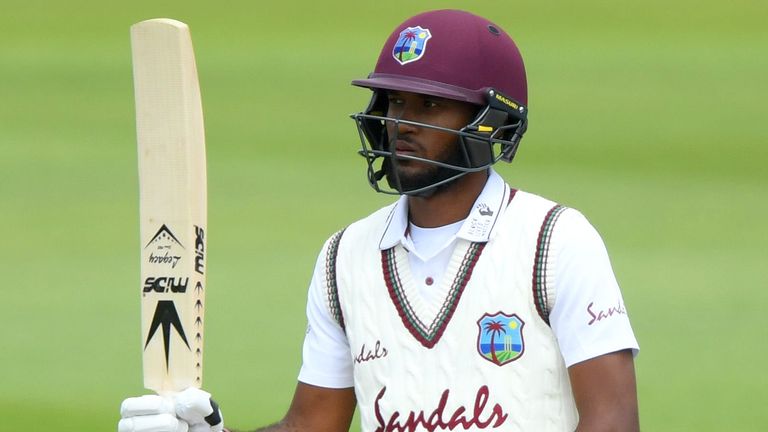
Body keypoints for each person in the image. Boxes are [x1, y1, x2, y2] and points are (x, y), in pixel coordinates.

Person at [119, 9, 640, 432]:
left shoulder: (554, 240)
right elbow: (311, 426)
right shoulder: (345, 256)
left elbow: (613, 421)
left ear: (492, 122)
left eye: (431, 105)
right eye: (394, 102)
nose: (400, 124)